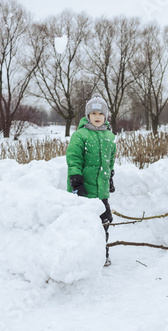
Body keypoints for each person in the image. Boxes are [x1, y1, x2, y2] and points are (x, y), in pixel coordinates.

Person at [66, 93, 116, 267]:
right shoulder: (80, 135)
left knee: (104, 221)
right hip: (83, 191)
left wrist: (110, 177)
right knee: (84, 224)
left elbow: (110, 161)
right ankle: (82, 257)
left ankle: (103, 253)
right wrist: (76, 180)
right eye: (94, 114)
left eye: (101, 114)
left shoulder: (109, 138)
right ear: (88, 116)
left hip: (101, 191)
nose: (97, 117)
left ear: (105, 116)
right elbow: (73, 158)